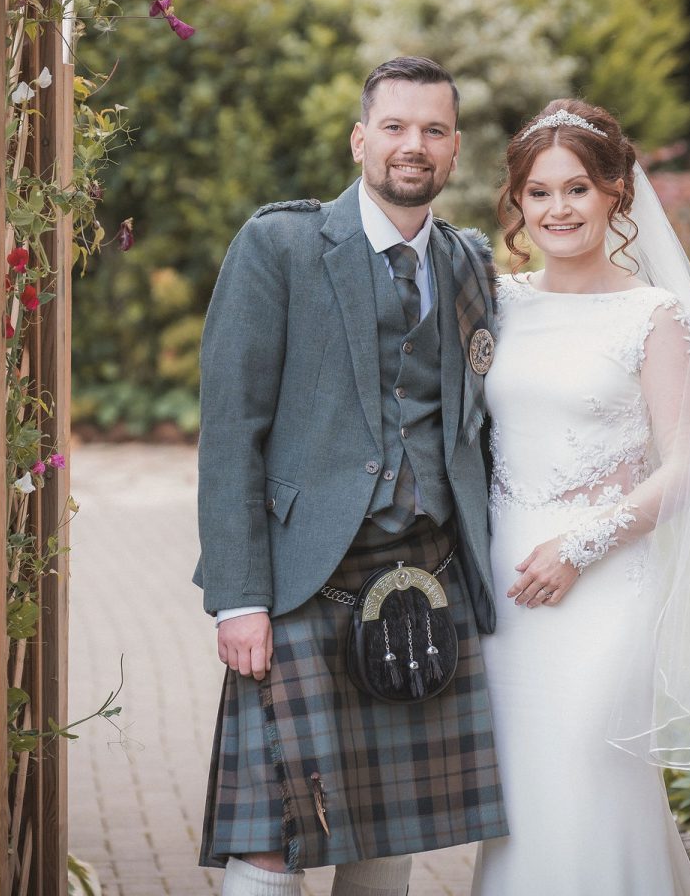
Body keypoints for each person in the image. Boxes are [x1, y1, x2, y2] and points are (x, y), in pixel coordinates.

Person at [194, 56, 507, 896]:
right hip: (303, 586)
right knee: (271, 834)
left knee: (386, 826)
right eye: (397, 127)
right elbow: (232, 430)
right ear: (360, 138)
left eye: (434, 130)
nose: (415, 145)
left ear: (455, 148)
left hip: (426, 578)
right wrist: (239, 596)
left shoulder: (470, 262)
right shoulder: (280, 245)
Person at [471, 99, 690, 895]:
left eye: (575, 190)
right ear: (518, 204)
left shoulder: (652, 315)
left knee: (589, 781)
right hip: (502, 584)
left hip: (602, 583)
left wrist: (581, 545)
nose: (556, 209)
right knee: (521, 801)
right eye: (538, 192)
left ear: (614, 195)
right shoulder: (496, 302)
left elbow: (687, 467)